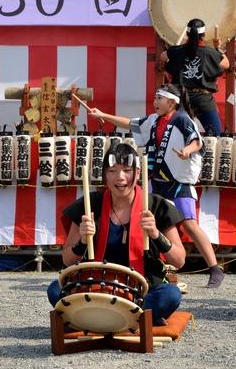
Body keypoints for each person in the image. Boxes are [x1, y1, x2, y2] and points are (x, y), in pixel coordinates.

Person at [87, 84, 226, 288]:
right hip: (156, 181)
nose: (155, 102)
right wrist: (103, 114)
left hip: (177, 181)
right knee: (146, 219)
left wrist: (187, 151)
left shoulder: (182, 118)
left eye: (159, 98)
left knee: (189, 223)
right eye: (155, 98)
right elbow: (130, 124)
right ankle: (154, 266)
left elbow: (196, 141)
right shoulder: (153, 120)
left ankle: (214, 268)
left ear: (172, 102)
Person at [47, 143, 186, 325]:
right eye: (112, 171)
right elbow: (67, 260)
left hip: (141, 288)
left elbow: (179, 260)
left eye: (127, 170)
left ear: (138, 173)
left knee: (170, 295)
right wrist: (82, 240)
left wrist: (155, 234)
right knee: (55, 289)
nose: (120, 177)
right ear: (105, 175)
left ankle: (96, 319)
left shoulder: (156, 206)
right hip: (96, 285)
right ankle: (135, 319)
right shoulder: (90, 204)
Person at [160, 18, 230, 136]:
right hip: (203, 99)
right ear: (203, 35)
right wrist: (218, 48)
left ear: (187, 34)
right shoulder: (210, 52)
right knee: (215, 135)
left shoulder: (177, 51)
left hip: (182, 98)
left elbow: (163, 56)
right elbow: (226, 64)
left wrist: (175, 51)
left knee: (177, 135)